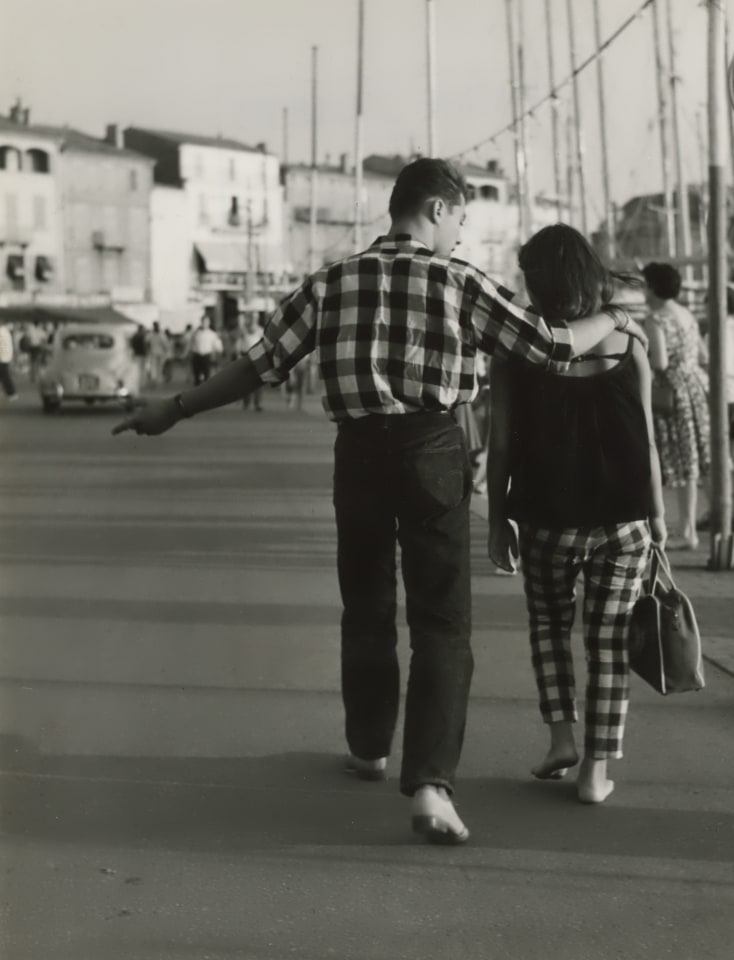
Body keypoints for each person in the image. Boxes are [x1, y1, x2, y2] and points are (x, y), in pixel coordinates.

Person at [112, 158, 647, 844]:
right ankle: (429, 786)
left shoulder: (330, 282)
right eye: (458, 219)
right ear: (434, 208)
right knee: (441, 623)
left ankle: (368, 747)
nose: (459, 235)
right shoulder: (458, 280)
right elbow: (550, 346)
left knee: (365, 605)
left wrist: (176, 407)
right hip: (431, 448)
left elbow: (260, 364)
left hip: (358, 452)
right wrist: (611, 312)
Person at [487, 224, 666, 805]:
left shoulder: (518, 352)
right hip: (623, 519)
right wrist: (658, 517)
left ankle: (561, 738)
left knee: (549, 628)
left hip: (545, 517)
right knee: (609, 643)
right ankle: (595, 772)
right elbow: (646, 434)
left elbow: (502, 446)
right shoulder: (628, 340)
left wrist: (496, 520)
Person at [642, 262, 710, 550]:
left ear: (653, 287)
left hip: (671, 391)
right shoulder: (686, 314)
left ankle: (676, 529)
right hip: (694, 387)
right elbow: (703, 353)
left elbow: (660, 362)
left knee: (671, 460)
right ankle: (688, 529)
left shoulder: (655, 318)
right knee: (690, 461)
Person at [698, 288, 734, 534]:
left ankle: (716, 511)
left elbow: (714, 368)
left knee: (710, 458)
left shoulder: (717, 334)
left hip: (723, 397)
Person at [235, 313, 264, 411]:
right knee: (246, 381)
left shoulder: (260, 331)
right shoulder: (243, 330)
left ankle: (257, 403)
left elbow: (265, 344)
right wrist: (238, 354)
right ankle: (246, 402)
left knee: (258, 381)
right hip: (246, 356)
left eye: (255, 318)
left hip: (258, 356)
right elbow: (238, 343)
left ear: (257, 319)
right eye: (251, 317)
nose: (253, 320)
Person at [190, 314, 223, 386]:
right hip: (197, 356)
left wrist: (219, 355)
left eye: (206, 321)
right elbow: (192, 345)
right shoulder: (196, 333)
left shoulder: (212, 334)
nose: (204, 323)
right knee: (196, 377)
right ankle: (197, 392)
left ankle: (206, 393)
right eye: (203, 321)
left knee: (207, 376)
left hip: (206, 357)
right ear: (201, 322)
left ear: (209, 322)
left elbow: (218, 347)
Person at [0, 318, 18, 402]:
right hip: (5, 357)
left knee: (5, 376)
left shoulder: (1, 332)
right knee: (4, 375)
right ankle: (10, 392)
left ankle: (11, 393)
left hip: (2, 357)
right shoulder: (5, 331)